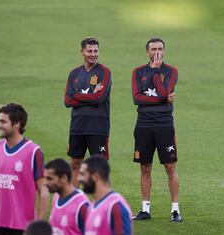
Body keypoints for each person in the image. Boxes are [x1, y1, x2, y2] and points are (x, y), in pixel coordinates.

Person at [131, 37, 181, 222]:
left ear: (164, 51)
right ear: (147, 52)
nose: (157, 52)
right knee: (145, 167)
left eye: (160, 48)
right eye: (153, 49)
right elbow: (137, 98)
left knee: (170, 166)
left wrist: (156, 71)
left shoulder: (171, 71)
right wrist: (162, 97)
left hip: (164, 123)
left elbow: (164, 91)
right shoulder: (137, 72)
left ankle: (175, 210)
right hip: (143, 124)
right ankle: (145, 209)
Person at [0, 103, 49, 235]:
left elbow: (43, 190)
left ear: (17, 124)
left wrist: (40, 228)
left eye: (3, 122)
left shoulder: (33, 151)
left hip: (22, 226)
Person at [64, 37, 112, 187]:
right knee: (75, 163)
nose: (93, 54)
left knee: (99, 166)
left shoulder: (105, 72)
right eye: (89, 51)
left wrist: (77, 95)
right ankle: (74, 202)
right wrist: (90, 95)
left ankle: (102, 204)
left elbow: (98, 98)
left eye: (96, 51)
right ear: (82, 52)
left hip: (98, 127)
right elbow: (67, 101)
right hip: (77, 126)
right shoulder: (74, 74)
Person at [79, 156, 133, 235]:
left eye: (83, 174)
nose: (79, 179)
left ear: (95, 176)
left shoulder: (115, 206)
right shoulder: (91, 206)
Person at [45, 158, 90, 235]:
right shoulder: (56, 198)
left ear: (64, 178)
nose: (46, 183)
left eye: (50, 179)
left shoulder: (81, 205)